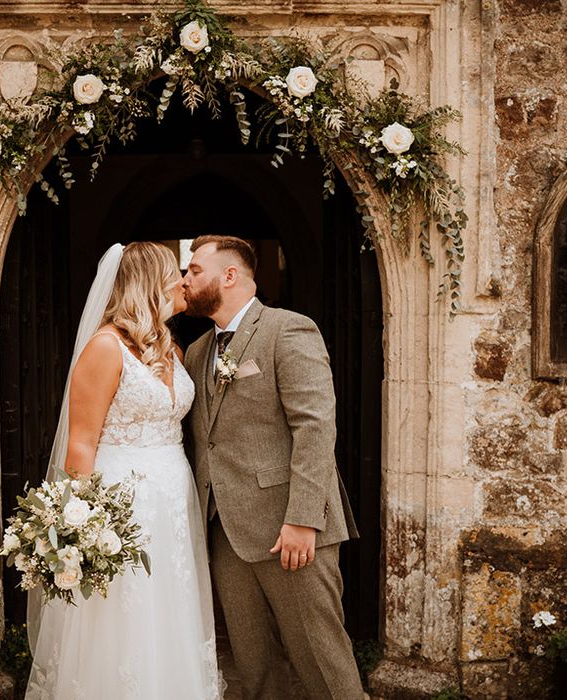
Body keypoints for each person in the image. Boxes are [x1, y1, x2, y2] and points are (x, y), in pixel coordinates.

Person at [26, 242, 223, 699]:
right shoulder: (104, 347)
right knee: (126, 618)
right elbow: (81, 440)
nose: (183, 281)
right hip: (123, 503)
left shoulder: (169, 346)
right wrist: (81, 526)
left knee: (170, 610)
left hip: (173, 499)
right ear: (151, 283)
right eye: (175, 273)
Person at [182, 235, 364, 700]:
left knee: (322, 661)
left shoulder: (289, 329)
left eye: (194, 270)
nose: (185, 280)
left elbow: (315, 427)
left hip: (291, 528)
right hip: (224, 530)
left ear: (230, 275)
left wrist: (304, 518)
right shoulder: (198, 351)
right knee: (255, 668)